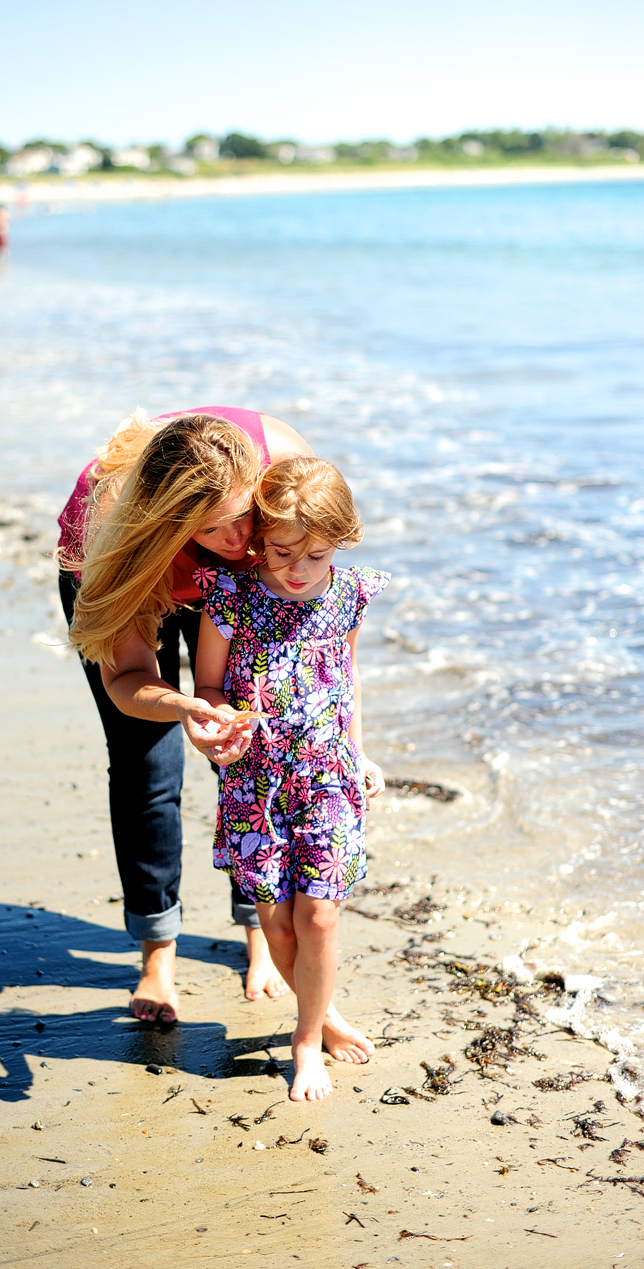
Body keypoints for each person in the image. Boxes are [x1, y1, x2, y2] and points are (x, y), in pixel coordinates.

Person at [60, 407, 312, 1024]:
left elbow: (320, 560)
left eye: (246, 515)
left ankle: (259, 931)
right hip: (134, 572)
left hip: (236, 591)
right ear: (176, 522)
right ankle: (157, 954)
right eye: (215, 528)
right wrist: (179, 704)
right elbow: (126, 677)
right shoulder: (110, 539)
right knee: (148, 764)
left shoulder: (279, 459)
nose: (238, 538)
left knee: (252, 745)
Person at [193, 456, 390, 1100]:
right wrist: (217, 725)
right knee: (277, 923)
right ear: (259, 538)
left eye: (316, 554)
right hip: (256, 784)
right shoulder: (231, 598)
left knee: (322, 918)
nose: (297, 569)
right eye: (281, 551)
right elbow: (208, 683)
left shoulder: (348, 594)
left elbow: (349, 678)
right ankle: (324, 1016)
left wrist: (360, 755)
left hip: (329, 777)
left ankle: (306, 1046)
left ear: (343, 540)